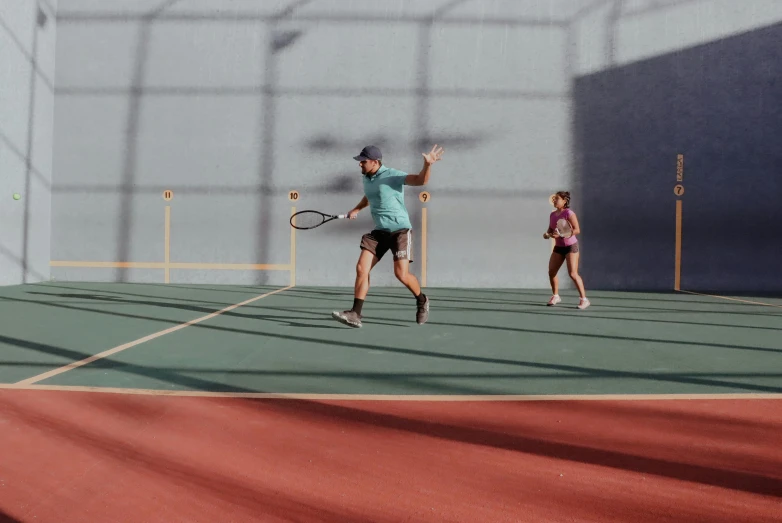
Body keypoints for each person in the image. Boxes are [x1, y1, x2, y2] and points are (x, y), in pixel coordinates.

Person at [332, 144, 444, 328]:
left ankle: (422, 299)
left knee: (401, 274)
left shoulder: (392, 175)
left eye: (363, 162)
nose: (360, 165)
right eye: (360, 162)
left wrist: (428, 165)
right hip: (379, 231)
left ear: (375, 162)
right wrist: (357, 209)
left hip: (400, 231)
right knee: (362, 268)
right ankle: (355, 314)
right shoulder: (367, 178)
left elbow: (419, 180)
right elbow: (370, 196)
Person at [543, 191, 590, 309]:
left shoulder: (569, 213)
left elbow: (577, 230)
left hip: (571, 246)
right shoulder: (552, 215)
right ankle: (555, 296)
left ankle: (584, 300)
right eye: (554, 199)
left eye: (557, 199)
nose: (554, 201)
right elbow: (551, 228)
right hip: (558, 247)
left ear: (564, 201)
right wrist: (548, 234)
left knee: (573, 274)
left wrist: (562, 235)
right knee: (551, 272)